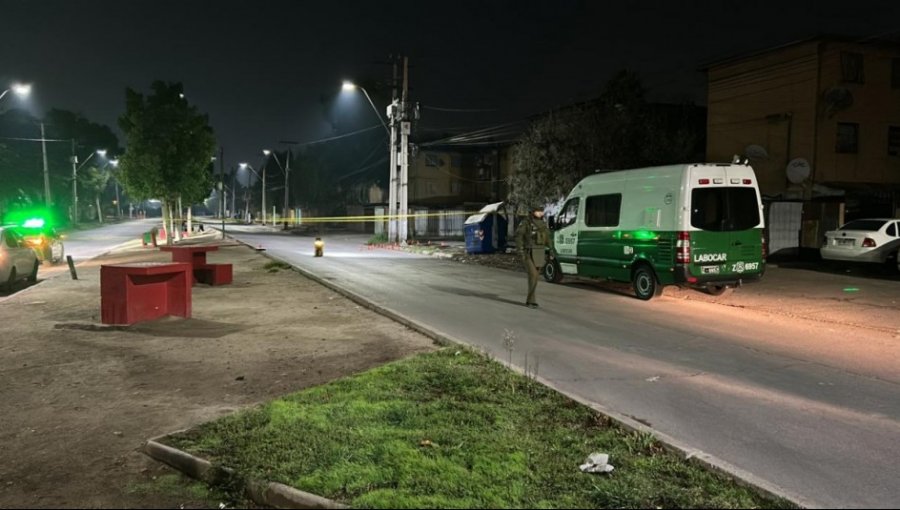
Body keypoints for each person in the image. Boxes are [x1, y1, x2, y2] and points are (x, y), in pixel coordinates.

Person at [514, 204, 550, 308]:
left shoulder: (543, 224)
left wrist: (552, 249)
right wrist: (520, 250)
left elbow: (547, 238)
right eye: (538, 211)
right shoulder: (526, 223)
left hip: (539, 252)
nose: (540, 213)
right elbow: (518, 236)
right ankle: (531, 300)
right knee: (533, 275)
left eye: (541, 211)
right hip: (528, 252)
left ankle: (531, 300)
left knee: (536, 277)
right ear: (533, 212)